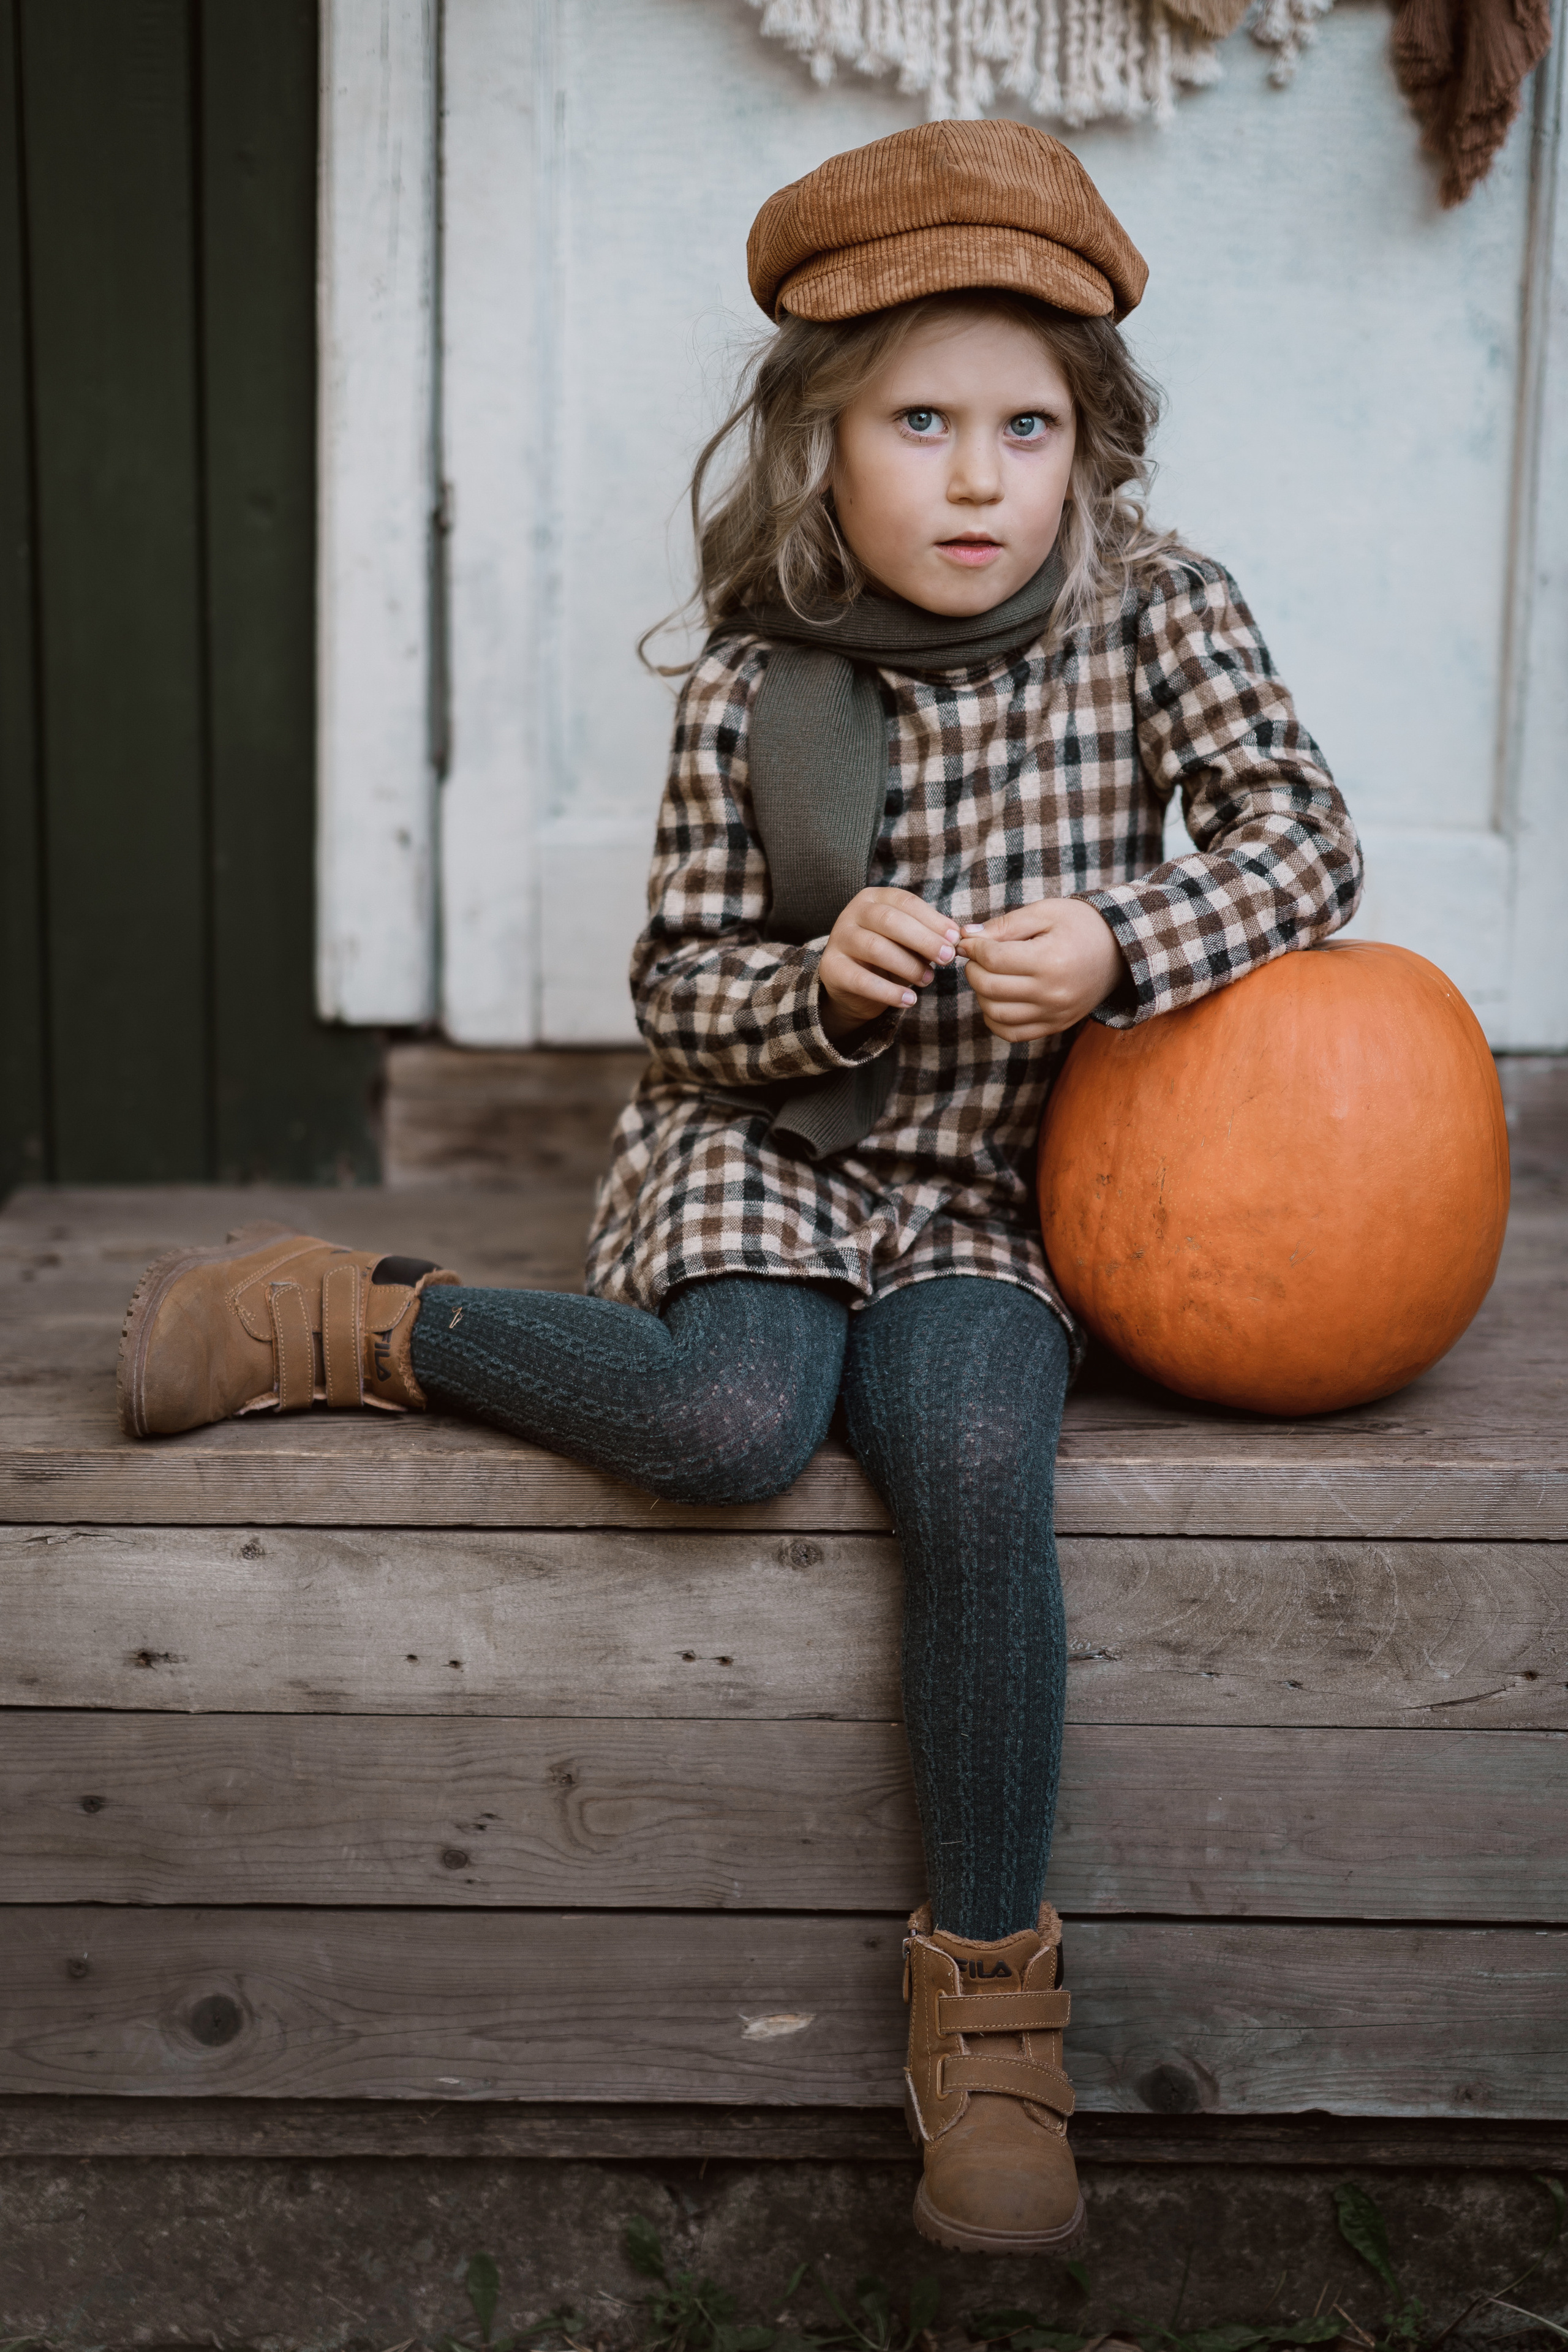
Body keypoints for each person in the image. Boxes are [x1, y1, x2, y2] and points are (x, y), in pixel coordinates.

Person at [115, 118, 1363, 2256]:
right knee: (729, 1424)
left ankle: (990, 2029)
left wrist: (1129, 946)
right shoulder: (759, 680)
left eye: (1028, 425)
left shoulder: (1163, 612)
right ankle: (369, 1314)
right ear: (820, 443)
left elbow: (1307, 838)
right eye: (922, 421)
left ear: (1096, 447)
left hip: (992, 1188)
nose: (979, 476)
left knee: (977, 1461)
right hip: (765, 1151)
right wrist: (820, 990)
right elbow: (680, 998)